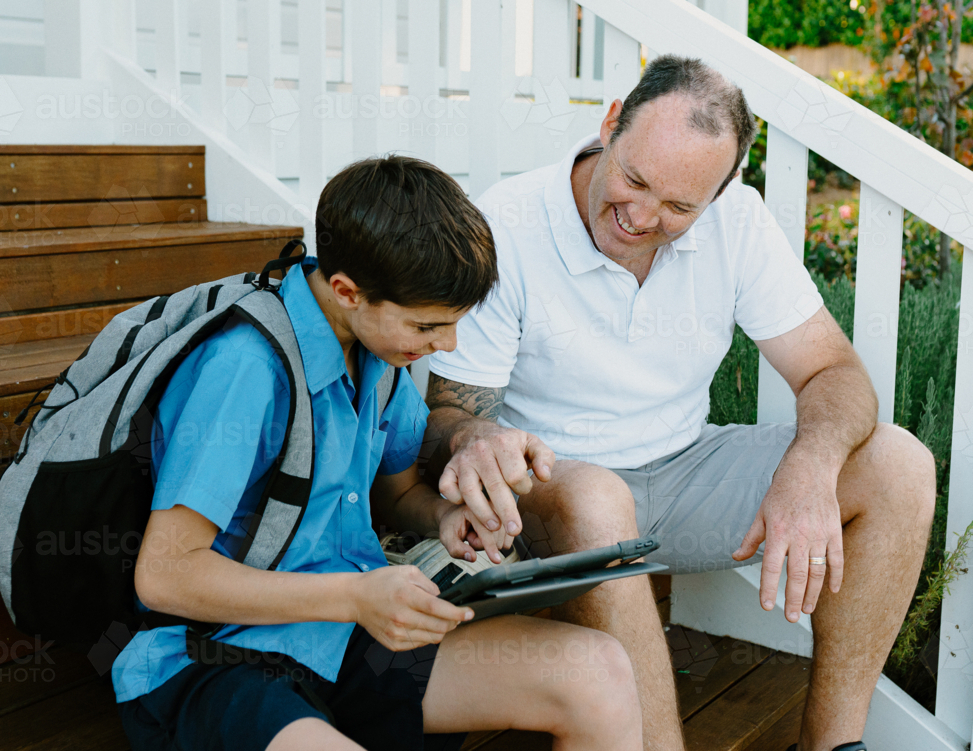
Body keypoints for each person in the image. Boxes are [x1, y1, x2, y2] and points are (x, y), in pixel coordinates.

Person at [424, 56, 935, 751]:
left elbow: (834, 370)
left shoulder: (739, 223)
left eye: (677, 207)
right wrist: (470, 438)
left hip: (684, 470)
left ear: (720, 194)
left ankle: (832, 745)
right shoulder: (507, 224)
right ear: (610, 124)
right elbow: (445, 412)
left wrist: (812, 467)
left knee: (899, 465)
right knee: (599, 497)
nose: (640, 216)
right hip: (551, 499)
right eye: (634, 180)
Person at [112, 156, 643, 751]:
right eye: (427, 327)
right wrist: (354, 597)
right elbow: (164, 574)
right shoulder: (247, 368)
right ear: (347, 292)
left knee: (600, 671)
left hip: (347, 635)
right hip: (219, 655)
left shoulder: (381, 358)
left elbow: (397, 495)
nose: (447, 345)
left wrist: (446, 520)